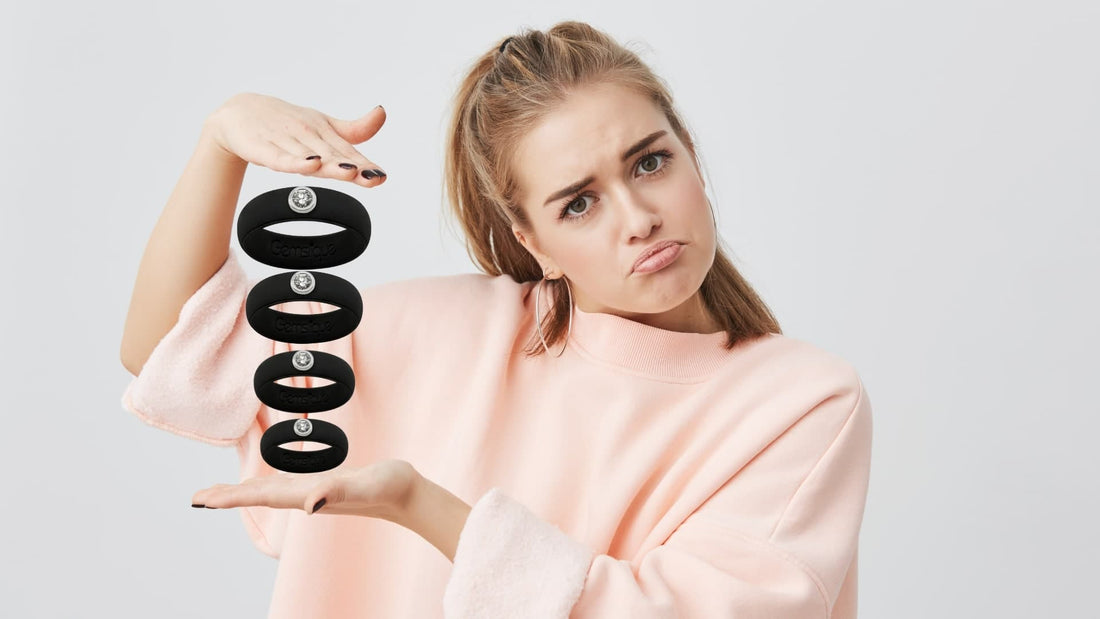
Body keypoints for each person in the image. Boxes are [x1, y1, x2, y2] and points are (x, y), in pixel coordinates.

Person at [119, 20, 872, 619]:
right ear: (531, 242)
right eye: (579, 202)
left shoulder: (800, 403)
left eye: (649, 162)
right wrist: (222, 139)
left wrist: (422, 507)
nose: (639, 218)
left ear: (691, 156)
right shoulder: (427, 335)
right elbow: (171, 350)